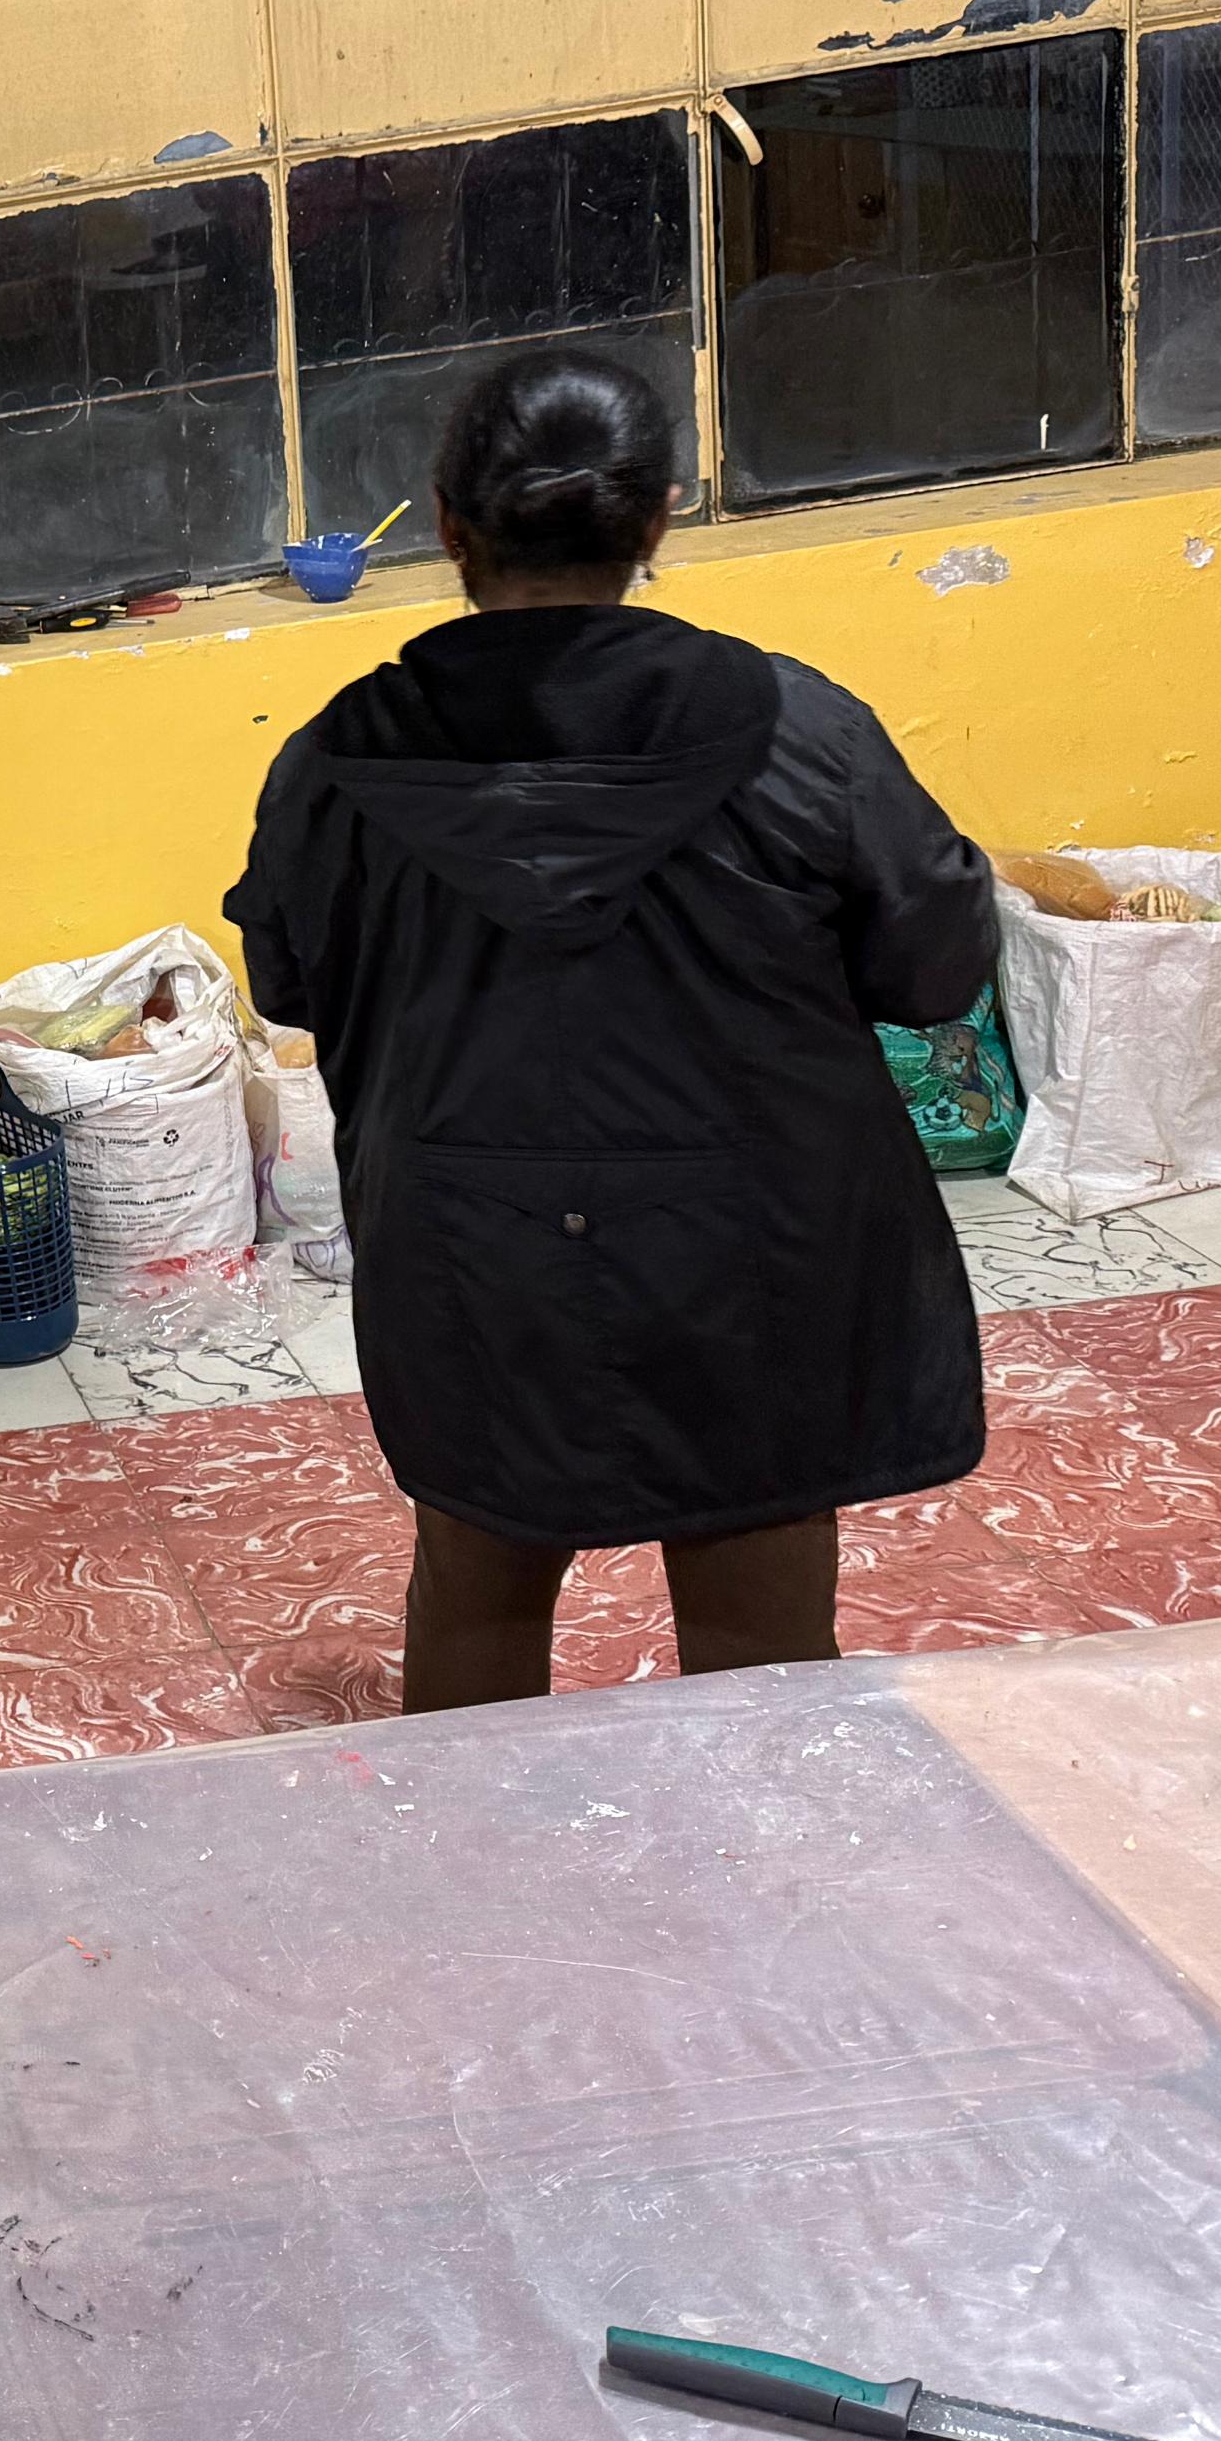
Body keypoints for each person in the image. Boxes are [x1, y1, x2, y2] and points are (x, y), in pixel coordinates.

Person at [223, 346, 996, 1714]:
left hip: (467, 1238)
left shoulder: (335, 762)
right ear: (658, 518)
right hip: (757, 1239)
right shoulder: (796, 731)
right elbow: (936, 968)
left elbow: (287, 985)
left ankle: (491, 1848)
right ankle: (759, 1849)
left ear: (447, 526)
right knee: (759, 1618)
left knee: (476, 1583)